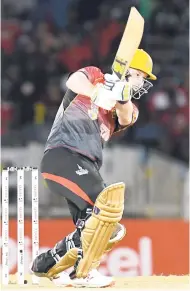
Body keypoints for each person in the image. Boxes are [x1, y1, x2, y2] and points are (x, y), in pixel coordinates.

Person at [31, 49, 157, 288]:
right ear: (129, 70)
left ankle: (45, 265)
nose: (142, 82)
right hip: (63, 156)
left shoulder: (124, 107)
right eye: (141, 75)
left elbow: (127, 117)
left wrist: (121, 97)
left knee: (101, 228)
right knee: (105, 208)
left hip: (86, 166)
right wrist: (97, 92)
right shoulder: (95, 75)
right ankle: (83, 273)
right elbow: (73, 80)